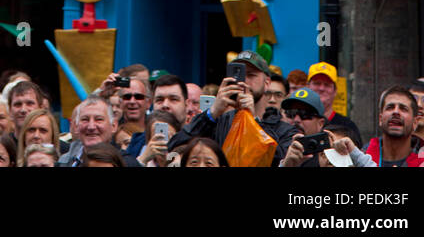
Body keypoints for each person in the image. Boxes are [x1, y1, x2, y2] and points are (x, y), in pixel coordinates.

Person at [167, 50, 296, 165]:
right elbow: (175, 145)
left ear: (267, 82)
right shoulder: (219, 122)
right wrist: (212, 113)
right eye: (238, 74)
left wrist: (253, 121)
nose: (243, 80)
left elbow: (278, 160)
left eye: (251, 75)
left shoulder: (285, 130)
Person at [57, 96, 138, 167]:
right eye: (85, 119)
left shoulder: (127, 163)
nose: (91, 126)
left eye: (99, 119)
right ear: (75, 126)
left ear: (113, 126)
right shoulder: (64, 162)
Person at [364, 87, 424, 167]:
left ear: (415, 122)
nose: (396, 112)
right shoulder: (362, 158)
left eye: (403, 109)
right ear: (380, 119)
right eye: (390, 107)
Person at [305, 61, 361, 146]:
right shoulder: (298, 120)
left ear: (335, 91)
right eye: (317, 83)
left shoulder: (347, 126)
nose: (321, 88)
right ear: (307, 87)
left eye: (327, 85)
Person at [116, 76, 152, 159]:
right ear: (120, 102)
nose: (132, 101)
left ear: (148, 103)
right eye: (127, 97)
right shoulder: (111, 131)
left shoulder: (155, 131)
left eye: (138, 97)